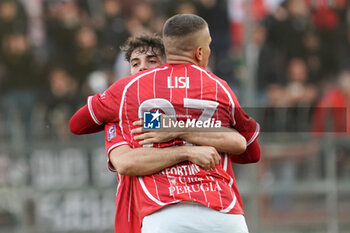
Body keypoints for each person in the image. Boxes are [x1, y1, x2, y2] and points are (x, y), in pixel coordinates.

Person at [70, 15, 260, 233]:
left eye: (151, 61)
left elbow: (78, 124)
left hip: (163, 211)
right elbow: (125, 161)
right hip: (220, 212)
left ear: (167, 61)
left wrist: (178, 129)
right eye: (135, 63)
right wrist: (187, 149)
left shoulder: (126, 98)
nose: (142, 69)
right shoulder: (218, 88)